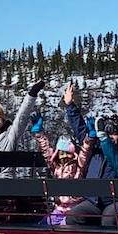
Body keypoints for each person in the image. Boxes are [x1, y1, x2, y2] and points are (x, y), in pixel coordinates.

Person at [36, 87, 97, 224]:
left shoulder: (78, 165)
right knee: (44, 225)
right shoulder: (56, 166)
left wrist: (90, 138)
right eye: (61, 153)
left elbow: (85, 151)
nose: (64, 156)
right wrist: (38, 133)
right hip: (58, 208)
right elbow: (46, 150)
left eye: (67, 153)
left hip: (73, 207)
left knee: (65, 227)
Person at [63, 84, 118, 225]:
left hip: (114, 201)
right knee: (73, 215)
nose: (111, 137)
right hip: (92, 200)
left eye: (114, 133)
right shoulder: (94, 150)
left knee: (109, 218)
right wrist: (70, 105)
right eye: (107, 134)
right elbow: (81, 131)